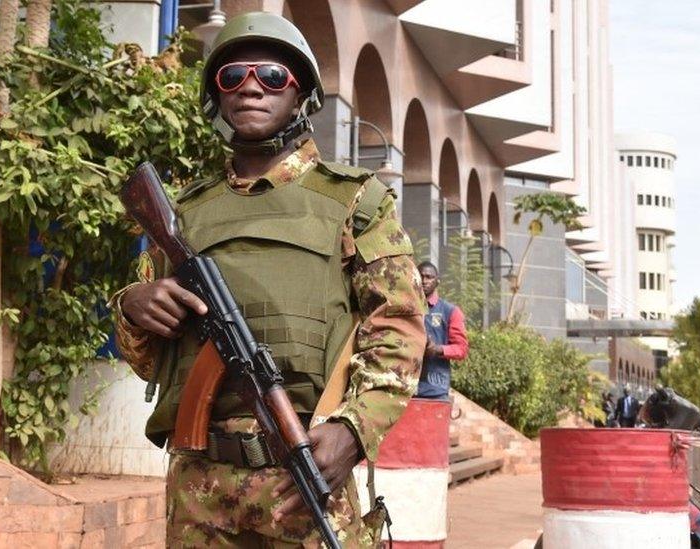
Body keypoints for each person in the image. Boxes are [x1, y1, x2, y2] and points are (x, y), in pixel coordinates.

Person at [111, 12, 426, 547]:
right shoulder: (182, 214)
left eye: (273, 76)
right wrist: (133, 307)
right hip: (199, 486)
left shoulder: (355, 200)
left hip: (303, 470)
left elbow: (397, 329)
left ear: (300, 92)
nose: (251, 86)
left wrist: (354, 430)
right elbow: (144, 358)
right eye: (232, 76)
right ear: (216, 96)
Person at [414, 261, 468, 400]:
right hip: (404, 389)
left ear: (437, 281)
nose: (424, 281)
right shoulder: (404, 309)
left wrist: (437, 349)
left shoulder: (450, 311)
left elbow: (461, 349)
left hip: (435, 391)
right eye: (421, 276)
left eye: (429, 277)